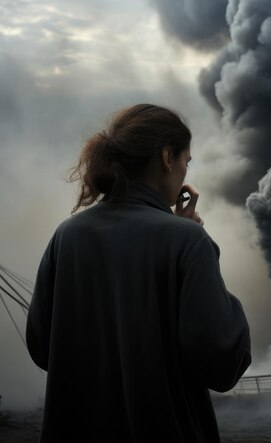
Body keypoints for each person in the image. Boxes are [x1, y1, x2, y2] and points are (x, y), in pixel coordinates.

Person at [26, 104, 251, 442]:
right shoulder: (188, 240)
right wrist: (200, 248)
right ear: (167, 157)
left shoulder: (67, 235)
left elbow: (43, 347)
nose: (184, 175)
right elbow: (221, 361)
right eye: (186, 162)